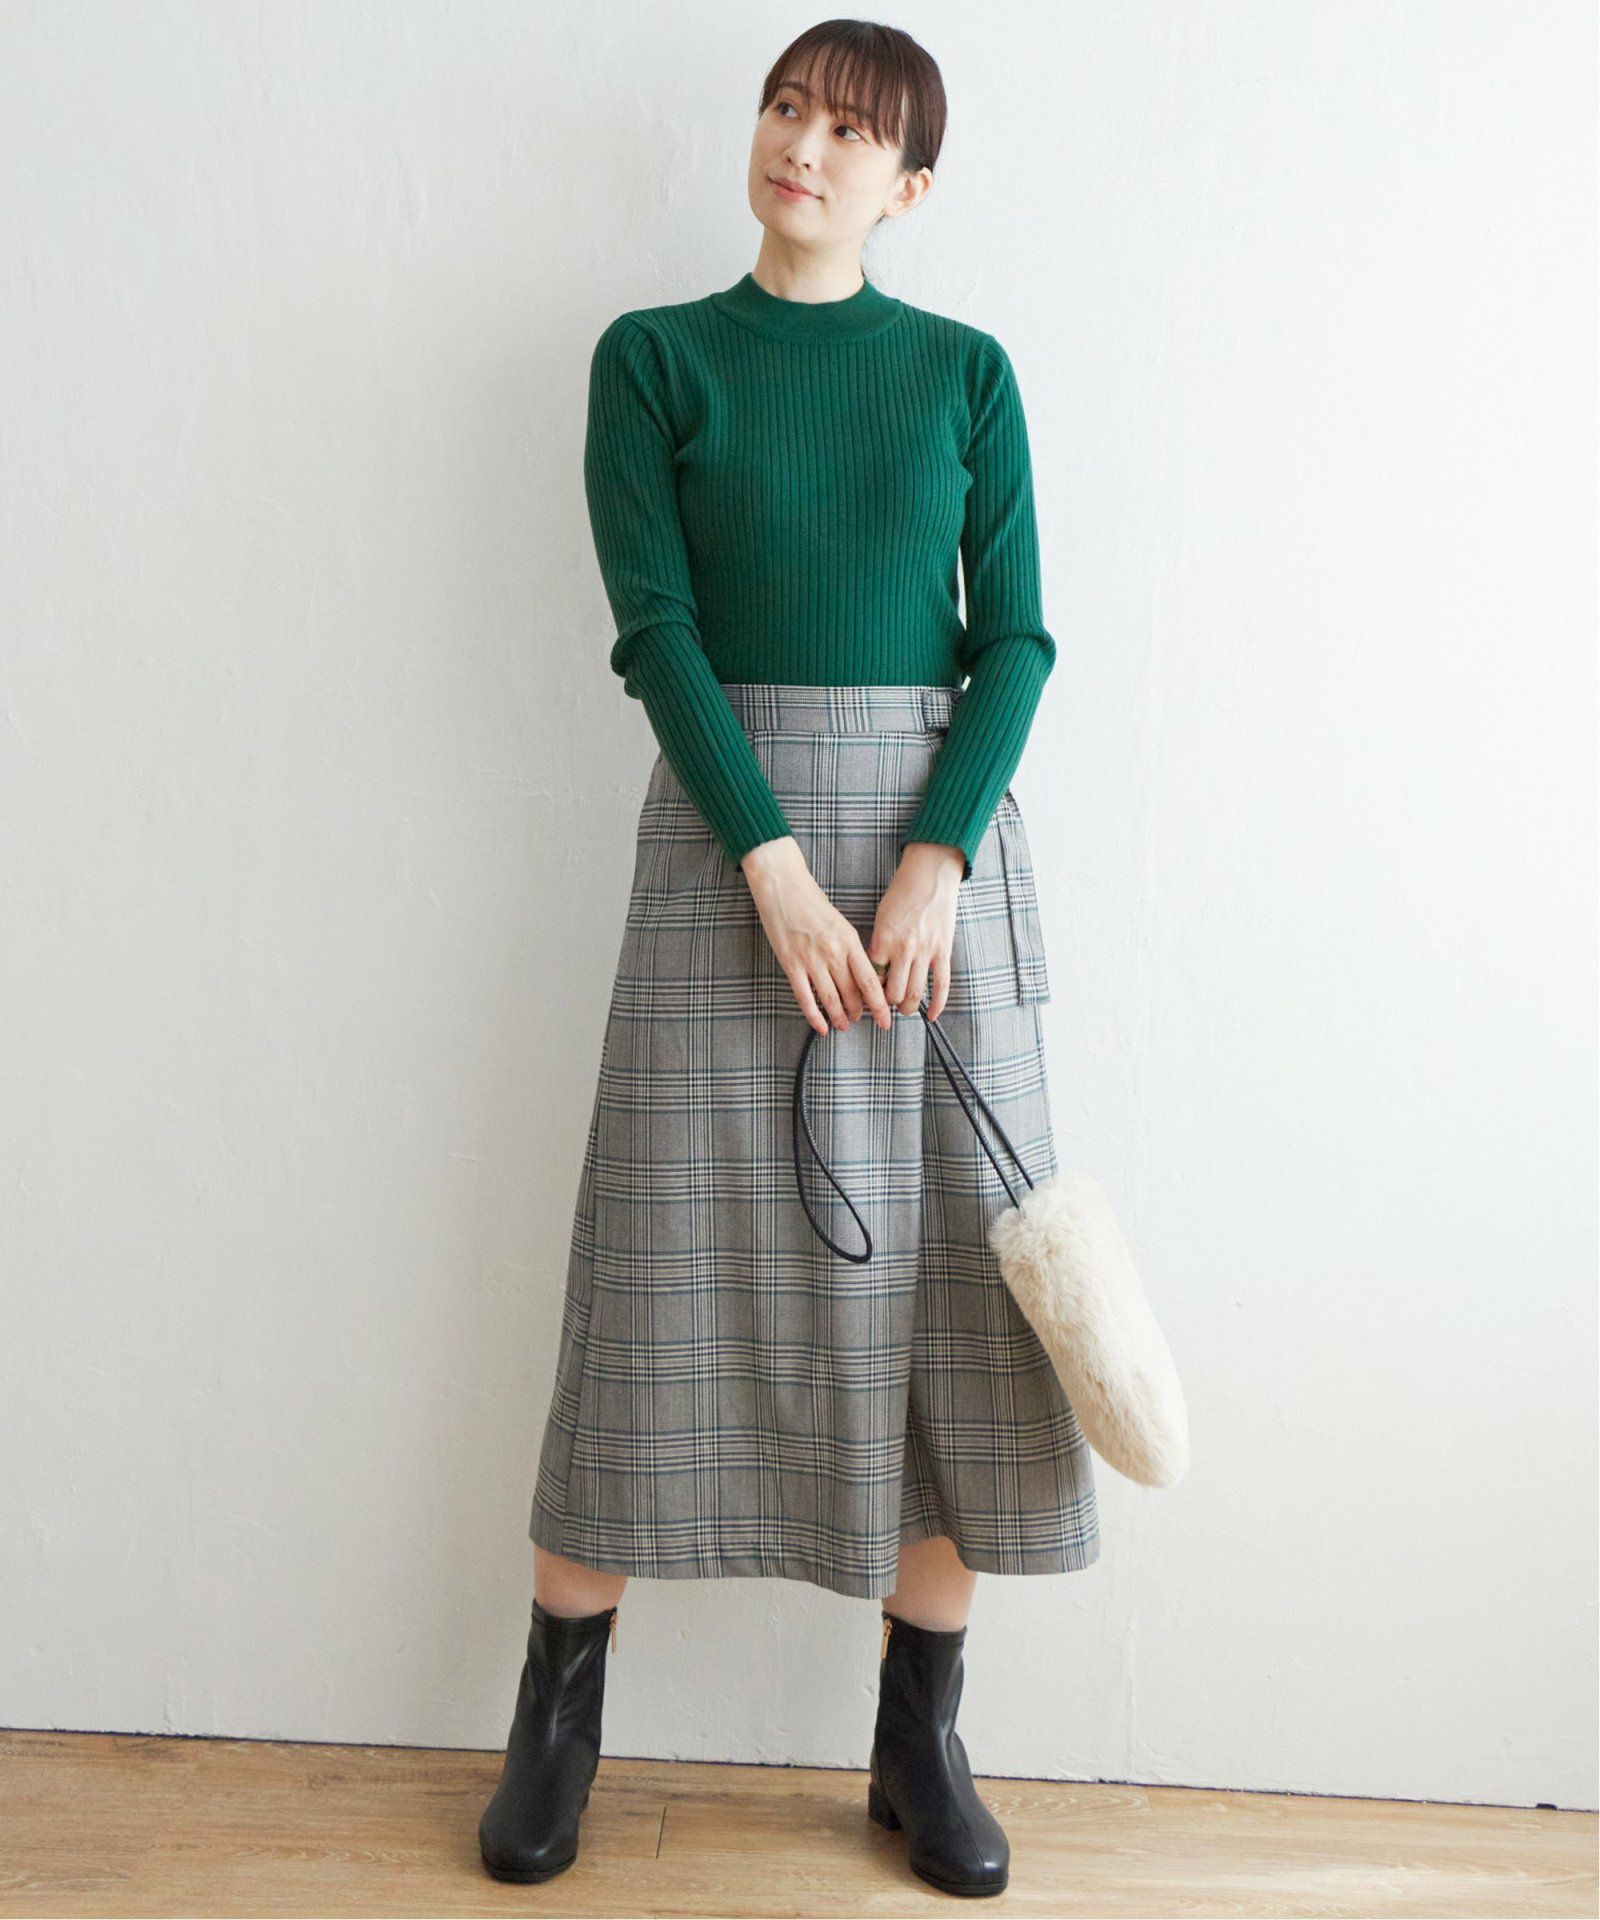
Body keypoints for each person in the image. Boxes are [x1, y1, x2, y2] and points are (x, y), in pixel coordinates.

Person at [479, 19, 1098, 1897]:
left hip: (934, 878)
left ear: (910, 186)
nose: (804, 147)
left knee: (958, 1295)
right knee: (653, 1267)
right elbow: (656, 628)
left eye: (851, 132)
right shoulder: (655, 360)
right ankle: (557, 1718)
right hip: (724, 846)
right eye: (787, 110)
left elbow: (1016, 642)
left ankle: (922, 1738)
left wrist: (934, 859)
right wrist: (773, 868)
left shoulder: (965, 374)